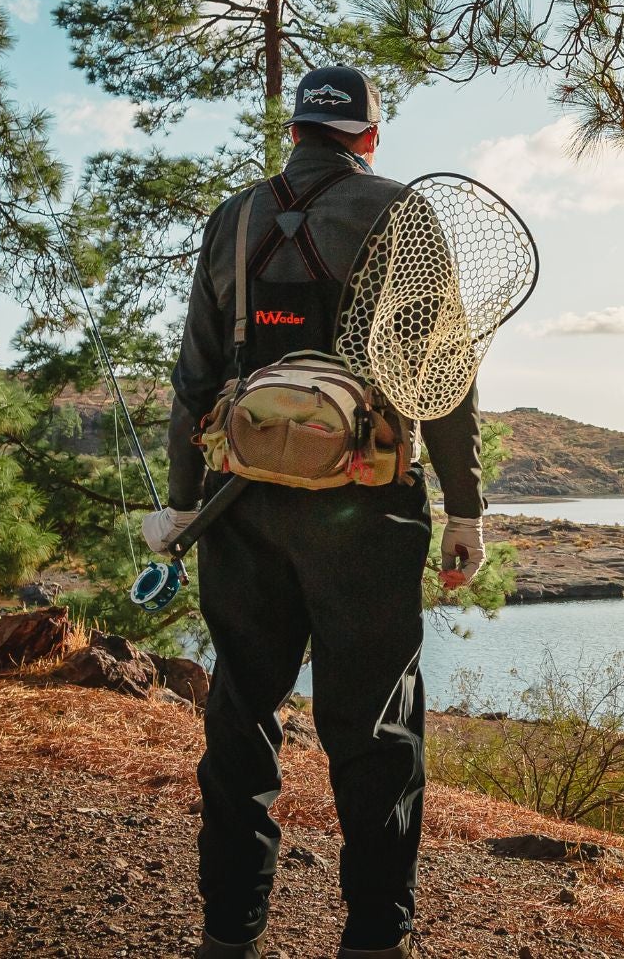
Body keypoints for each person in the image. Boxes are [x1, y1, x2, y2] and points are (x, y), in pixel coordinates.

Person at [141, 66, 486, 959]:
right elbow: (442, 380)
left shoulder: (235, 218)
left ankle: (228, 935)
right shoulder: (401, 212)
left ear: (295, 131)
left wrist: (182, 508)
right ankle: (373, 940)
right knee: (372, 732)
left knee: (240, 717)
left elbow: (194, 379)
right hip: (367, 513)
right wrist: (464, 511)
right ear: (368, 137)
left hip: (243, 506)